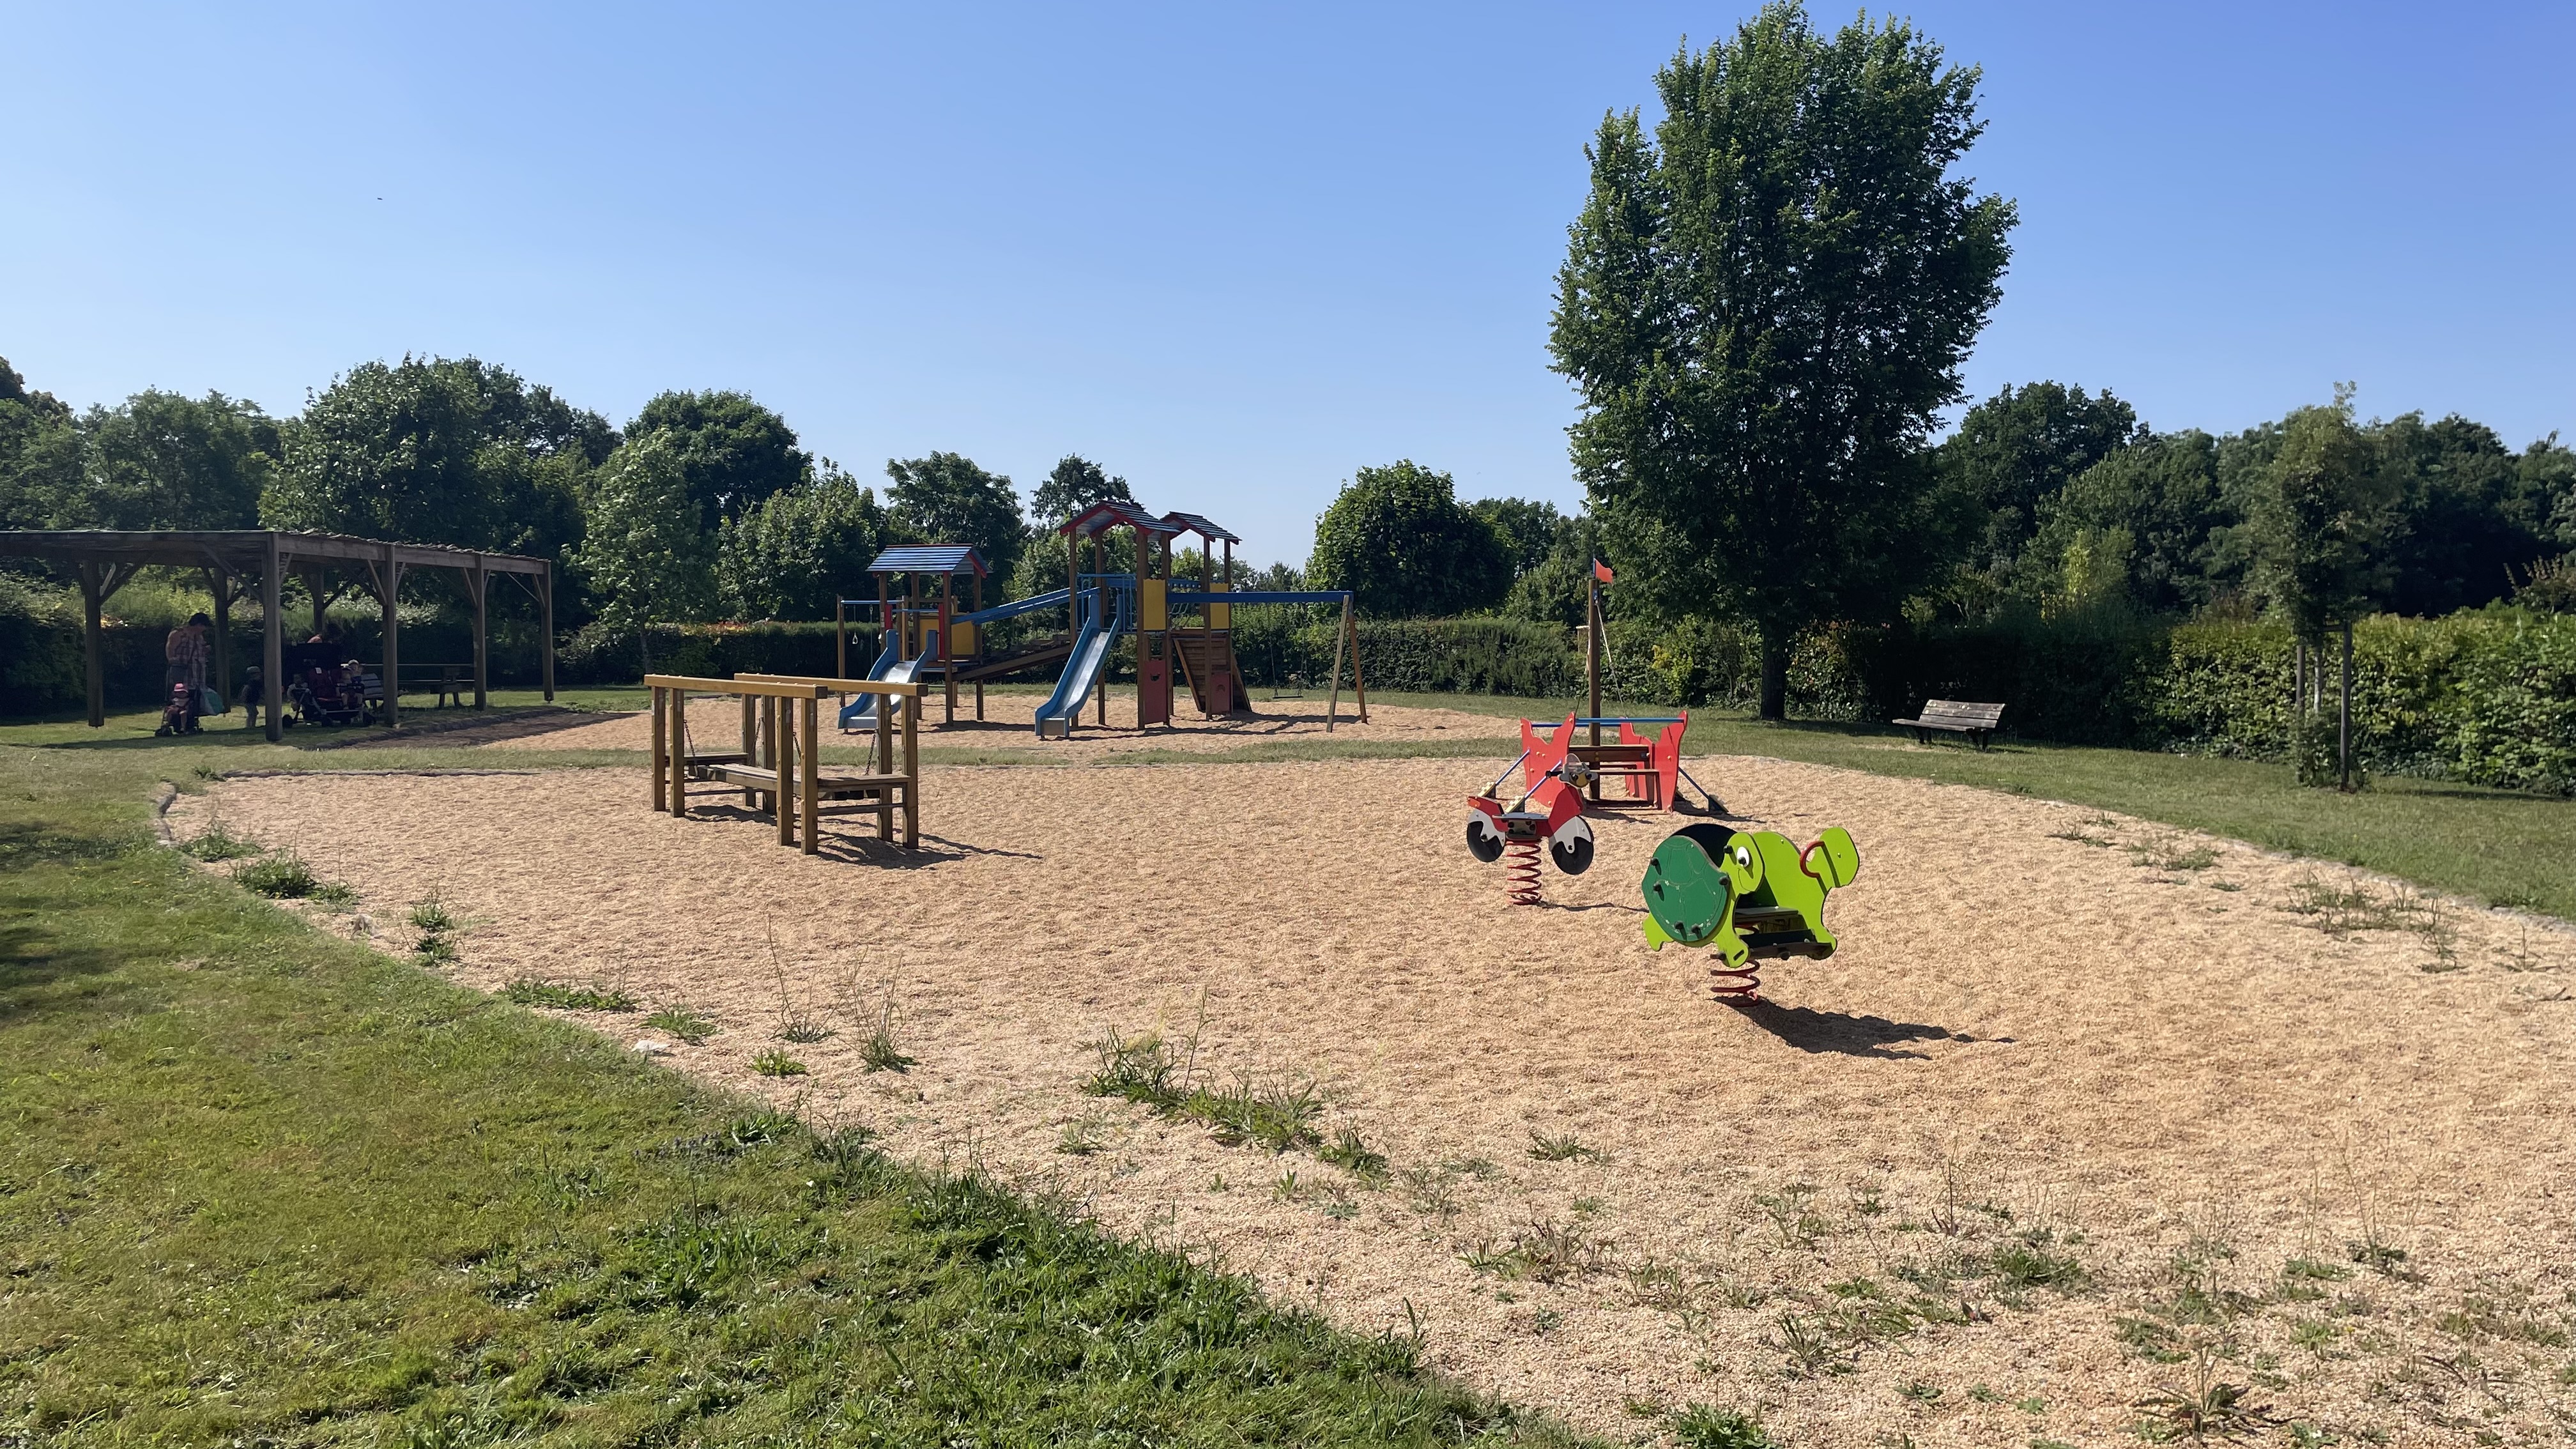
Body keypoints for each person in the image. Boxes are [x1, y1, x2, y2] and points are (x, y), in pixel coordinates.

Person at [165, 613, 211, 717]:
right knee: (180, 696)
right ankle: (176, 721)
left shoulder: (199, 636)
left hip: (197, 673)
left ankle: (191, 720)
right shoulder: (179, 634)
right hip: (182, 671)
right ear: (198, 625)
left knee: (194, 698)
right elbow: (170, 650)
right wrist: (174, 662)